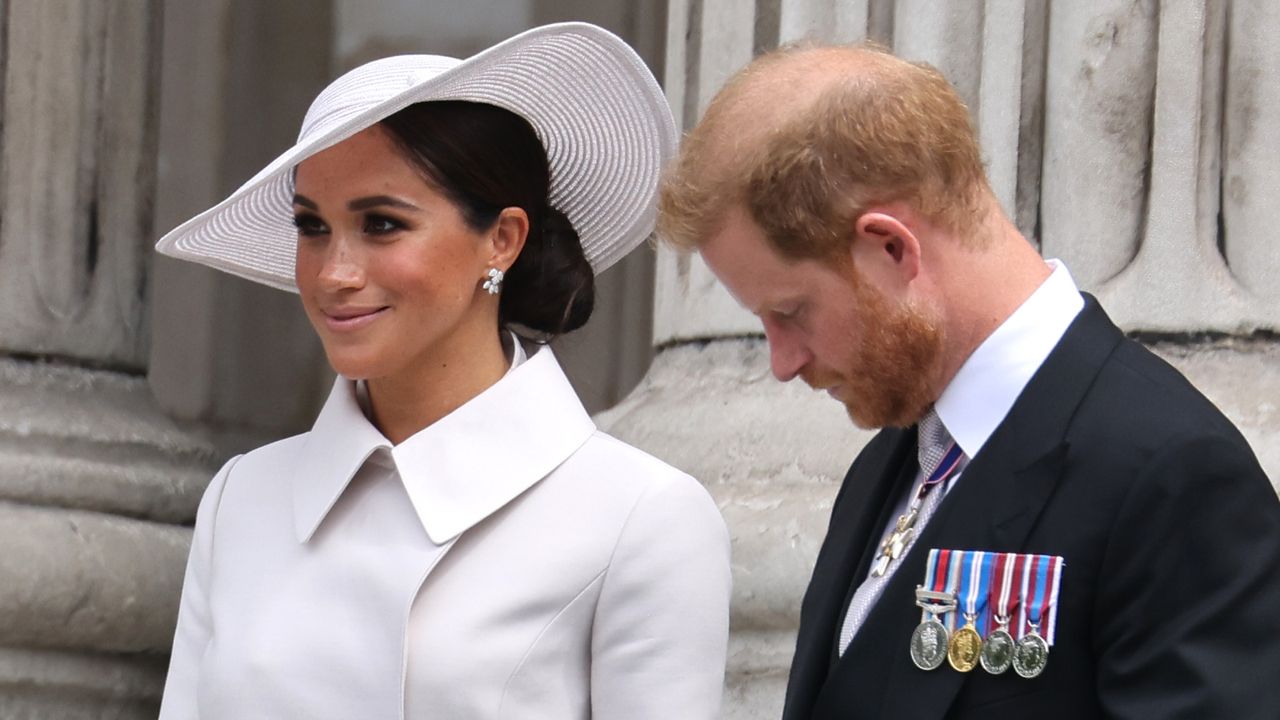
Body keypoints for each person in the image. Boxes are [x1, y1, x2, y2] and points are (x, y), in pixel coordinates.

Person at [658, 42, 1280, 719]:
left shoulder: (1171, 474)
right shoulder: (890, 466)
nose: (783, 362)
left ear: (891, 247)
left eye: (789, 312)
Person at [155, 23, 731, 719]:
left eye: (383, 225)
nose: (334, 274)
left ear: (503, 238)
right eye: (312, 227)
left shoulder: (641, 518)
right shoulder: (242, 499)